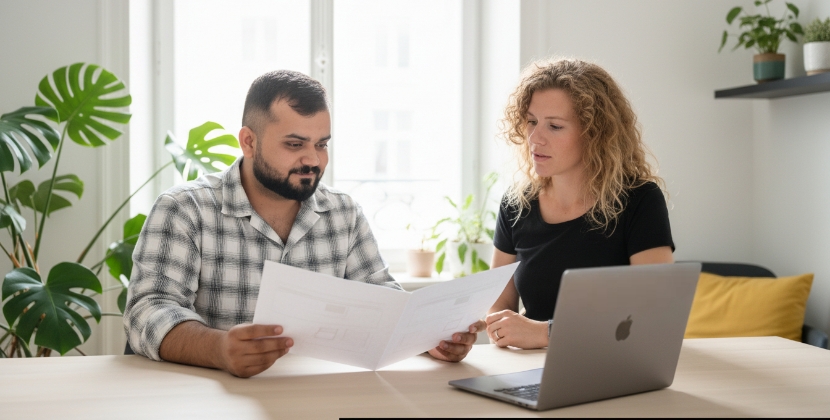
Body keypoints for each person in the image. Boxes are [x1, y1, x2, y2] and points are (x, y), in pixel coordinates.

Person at [124, 70, 482, 377]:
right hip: (210, 400)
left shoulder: (344, 214)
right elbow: (148, 310)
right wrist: (219, 349)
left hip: (319, 397)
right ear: (249, 142)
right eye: (294, 144)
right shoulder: (184, 209)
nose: (312, 159)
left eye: (321, 144)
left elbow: (384, 303)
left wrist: (430, 340)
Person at [484, 58, 675, 349]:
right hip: (528, 370)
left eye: (555, 126)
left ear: (595, 134)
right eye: (532, 121)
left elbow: (657, 314)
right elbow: (499, 305)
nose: (535, 138)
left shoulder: (640, 200)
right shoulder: (515, 204)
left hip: (613, 366)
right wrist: (497, 328)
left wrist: (544, 333)